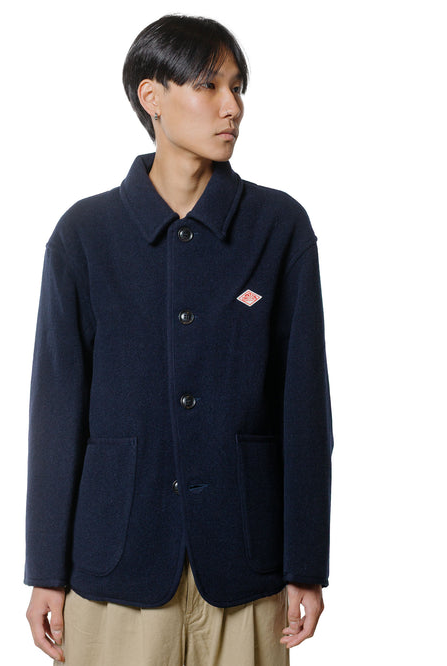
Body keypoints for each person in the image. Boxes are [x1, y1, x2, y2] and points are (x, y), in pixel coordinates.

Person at [25, 14, 334, 666]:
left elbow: (304, 408)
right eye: (208, 85)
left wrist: (305, 563)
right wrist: (45, 569)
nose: (232, 106)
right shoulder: (84, 235)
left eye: (238, 87)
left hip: (246, 563)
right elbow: (55, 412)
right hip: (116, 562)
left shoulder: (278, 227)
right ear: (152, 97)